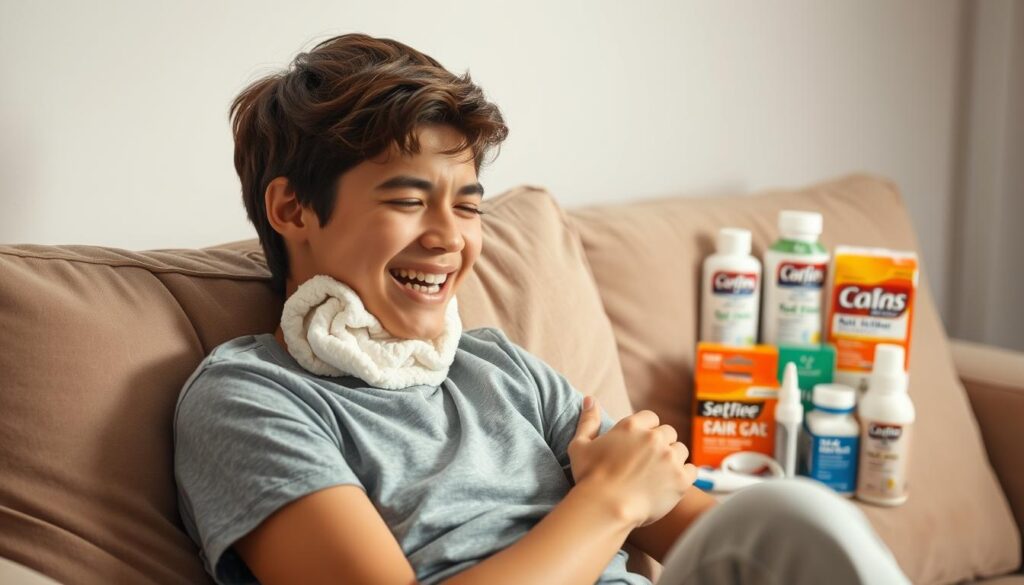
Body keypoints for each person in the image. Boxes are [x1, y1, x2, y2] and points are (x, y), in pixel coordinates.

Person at [172, 32, 911, 585]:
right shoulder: (249, 397)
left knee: (795, 515)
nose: (448, 237)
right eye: (407, 199)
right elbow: (628, 495)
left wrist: (631, 486)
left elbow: (734, 539)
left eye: (467, 205)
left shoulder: (499, 368)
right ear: (293, 207)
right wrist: (610, 502)